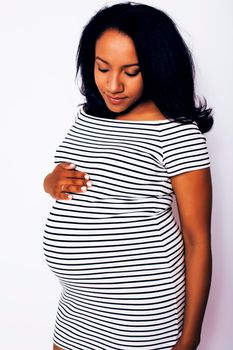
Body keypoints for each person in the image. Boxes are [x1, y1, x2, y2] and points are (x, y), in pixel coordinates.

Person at [43, 2, 213, 350]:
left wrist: (190, 337)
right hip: (76, 307)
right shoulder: (89, 117)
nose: (113, 85)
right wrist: (50, 182)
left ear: (158, 68)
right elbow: (69, 177)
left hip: (139, 312)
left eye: (131, 72)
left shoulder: (177, 134)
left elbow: (197, 240)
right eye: (102, 68)